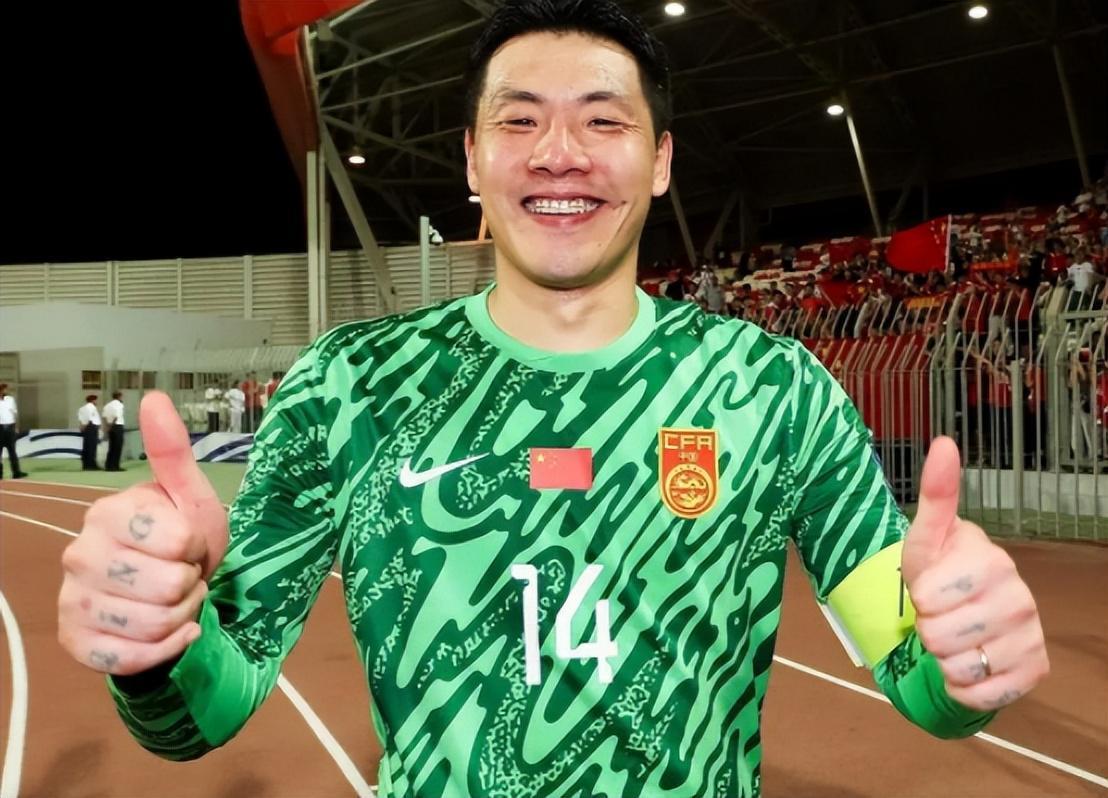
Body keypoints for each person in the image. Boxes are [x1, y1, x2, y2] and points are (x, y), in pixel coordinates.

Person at [57, 4, 1049, 797]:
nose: (559, 152)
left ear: (660, 162)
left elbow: (918, 679)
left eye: (604, 120)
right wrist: (151, 650)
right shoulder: (345, 387)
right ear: (472, 159)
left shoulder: (775, 388)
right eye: (519, 119)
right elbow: (203, 715)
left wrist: (968, 661)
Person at [0, 382, 28, 479]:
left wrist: (16, 427)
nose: (5, 391)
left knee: (12, 451)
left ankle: (16, 472)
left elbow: (14, 413)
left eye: (5, 389)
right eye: (3, 389)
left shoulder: (10, 399)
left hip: (10, 427)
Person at [102, 391, 126, 472]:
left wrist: (107, 427)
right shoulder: (119, 405)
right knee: (117, 447)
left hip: (109, 426)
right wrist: (111, 425)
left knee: (111, 447)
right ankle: (115, 466)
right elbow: (116, 416)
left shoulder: (107, 405)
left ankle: (108, 465)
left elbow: (104, 417)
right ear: (119, 396)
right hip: (117, 426)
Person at [76, 394, 101, 471]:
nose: (96, 402)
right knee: (92, 447)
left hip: (86, 427)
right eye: (96, 400)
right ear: (93, 400)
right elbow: (90, 418)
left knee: (86, 446)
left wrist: (82, 427)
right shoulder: (91, 407)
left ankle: (86, 464)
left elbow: (81, 419)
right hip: (91, 427)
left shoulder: (82, 408)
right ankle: (91, 465)